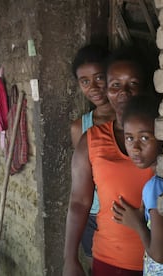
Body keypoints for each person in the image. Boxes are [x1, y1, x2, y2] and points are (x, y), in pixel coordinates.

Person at [63, 48, 155, 276]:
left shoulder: (160, 136)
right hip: (109, 260)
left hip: (160, 263)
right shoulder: (91, 140)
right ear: (107, 90)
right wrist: (70, 259)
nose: (123, 92)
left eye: (132, 84)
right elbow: (79, 202)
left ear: (144, 87)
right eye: (115, 85)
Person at [112, 95, 163, 275]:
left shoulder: (156, 186)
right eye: (129, 138)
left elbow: (160, 255)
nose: (135, 148)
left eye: (145, 138)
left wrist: (138, 224)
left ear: (162, 138)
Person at [70, 43, 115, 270]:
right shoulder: (81, 128)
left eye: (99, 78)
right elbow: (82, 186)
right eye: (85, 81)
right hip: (95, 217)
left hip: (135, 215)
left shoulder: (133, 120)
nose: (94, 87)